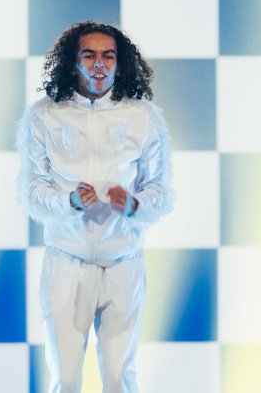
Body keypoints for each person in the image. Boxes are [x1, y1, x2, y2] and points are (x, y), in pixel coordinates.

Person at [18, 21, 173, 393]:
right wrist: (68, 201)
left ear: (120, 65)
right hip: (65, 261)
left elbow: (160, 192)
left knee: (120, 377)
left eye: (108, 56)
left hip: (124, 262)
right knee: (67, 378)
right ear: (74, 63)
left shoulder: (143, 117)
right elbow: (31, 189)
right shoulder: (44, 115)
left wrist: (134, 204)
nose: (99, 64)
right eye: (89, 55)